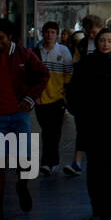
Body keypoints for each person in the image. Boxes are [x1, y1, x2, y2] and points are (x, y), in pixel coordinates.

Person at [0, 19, 49, 220]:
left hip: (18, 114)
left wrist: (30, 97)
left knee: (23, 159)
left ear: (10, 38)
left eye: (1, 39)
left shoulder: (24, 54)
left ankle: (22, 185)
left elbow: (43, 74)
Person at [67, 28, 111, 220]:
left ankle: (109, 210)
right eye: (102, 40)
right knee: (95, 166)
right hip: (91, 122)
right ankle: (96, 205)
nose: (105, 44)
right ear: (96, 42)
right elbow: (74, 90)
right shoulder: (86, 63)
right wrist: (79, 112)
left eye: (109, 41)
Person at [34, 22, 74, 177]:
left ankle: (49, 162)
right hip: (41, 99)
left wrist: (65, 95)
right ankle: (50, 162)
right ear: (42, 34)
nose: (49, 35)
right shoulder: (36, 52)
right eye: (47, 32)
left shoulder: (63, 51)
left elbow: (68, 74)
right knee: (47, 131)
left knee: (54, 131)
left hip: (57, 99)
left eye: (52, 32)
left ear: (56, 34)